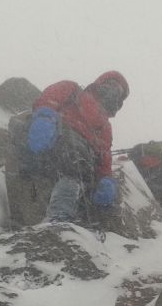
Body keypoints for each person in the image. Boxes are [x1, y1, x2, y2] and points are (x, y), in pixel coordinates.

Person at [26, 71, 129, 224]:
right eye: (112, 84)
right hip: (54, 143)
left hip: (78, 162)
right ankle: (58, 215)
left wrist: (106, 180)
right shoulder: (72, 90)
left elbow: (104, 156)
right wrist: (45, 117)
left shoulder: (105, 127)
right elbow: (48, 100)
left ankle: (84, 224)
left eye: (119, 91)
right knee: (76, 159)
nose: (113, 91)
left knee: (96, 188)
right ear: (100, 84)